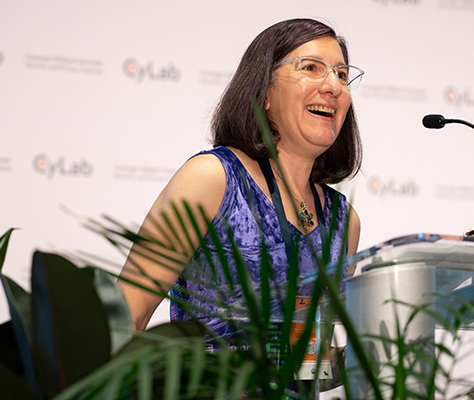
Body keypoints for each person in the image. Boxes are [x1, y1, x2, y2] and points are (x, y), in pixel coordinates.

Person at [118, 18, 364, 337]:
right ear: (265, 92)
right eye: (311, 68)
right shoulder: (213, 178)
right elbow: (126, 320)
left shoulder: (344, 221)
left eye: (342, 75)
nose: (333, 86)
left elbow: (309, 350)